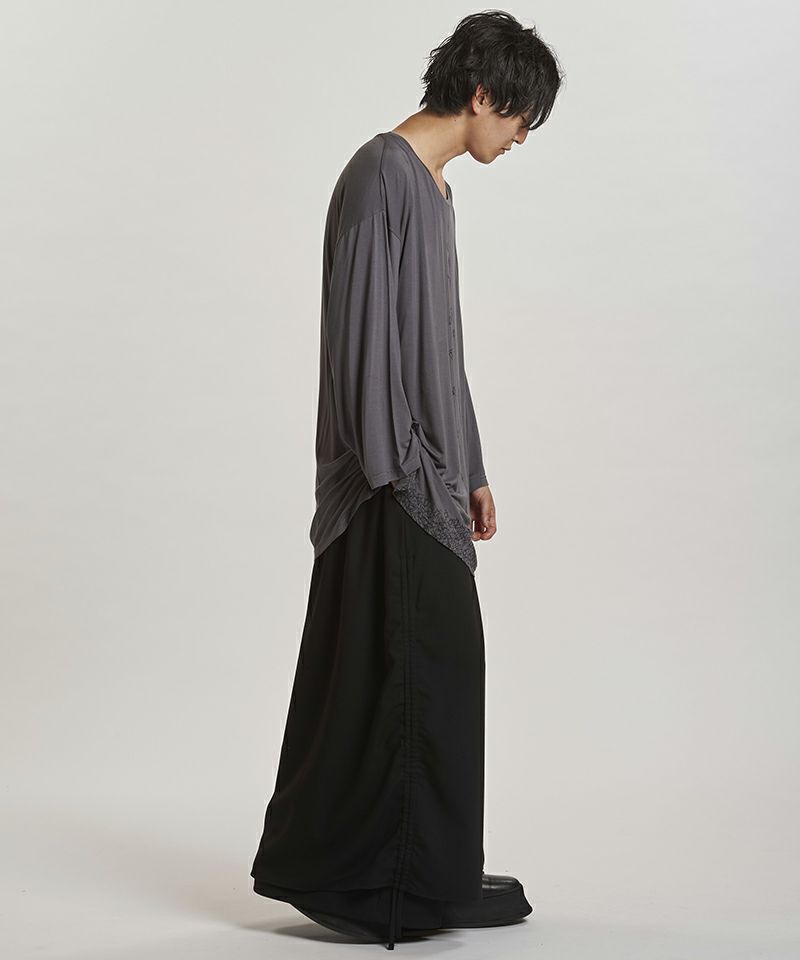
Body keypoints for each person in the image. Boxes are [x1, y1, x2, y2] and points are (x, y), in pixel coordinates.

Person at [250, 10, 563, 950]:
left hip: (426, 473)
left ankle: (426, 866)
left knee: (422, 674)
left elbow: (439, 350)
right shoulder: (379, 174)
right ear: (483, 94)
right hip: (389, 482)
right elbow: (359, 340)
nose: (520, 138)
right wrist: (399, 472)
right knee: (416, 673)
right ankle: (397, 886)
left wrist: (470, 467)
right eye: (520, 118)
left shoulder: (432, 190)